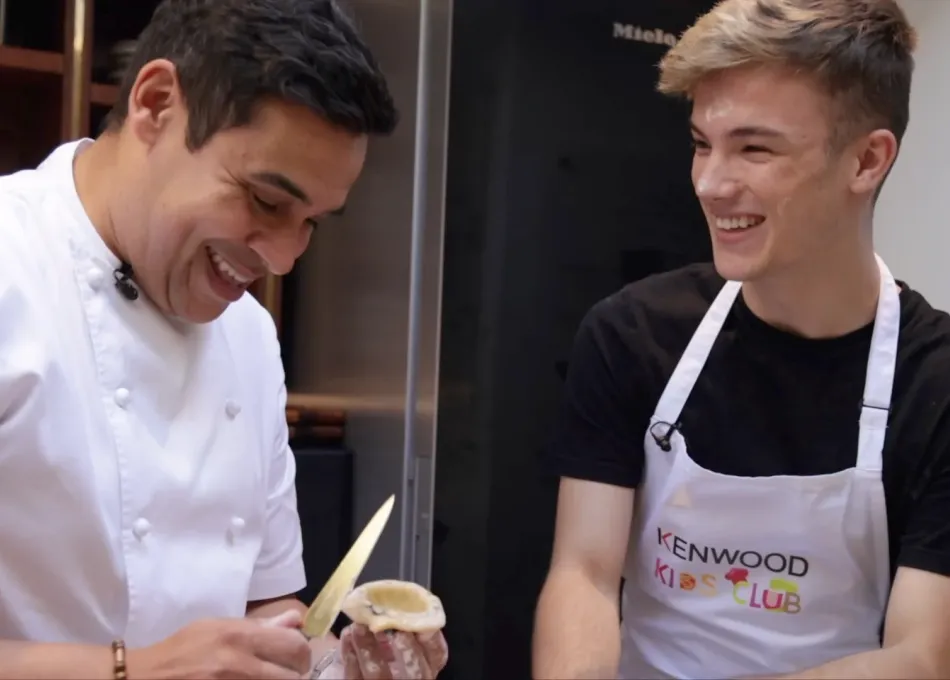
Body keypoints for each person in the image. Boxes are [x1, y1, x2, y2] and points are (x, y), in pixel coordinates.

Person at [0, 0, 448, 678]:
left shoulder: (249, 335)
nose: (283, 258)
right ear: (156, 104)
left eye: (312, 223)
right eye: (267, 202)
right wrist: (134, 669)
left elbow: (267, 622)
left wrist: (341, 665)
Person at [533, 0, 950, 678]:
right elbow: (584, 571)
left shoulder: (933, 384)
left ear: (867, 160)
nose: (710, 184)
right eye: (702, 143)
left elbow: (922, 655)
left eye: (754, 148)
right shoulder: (632, 334)